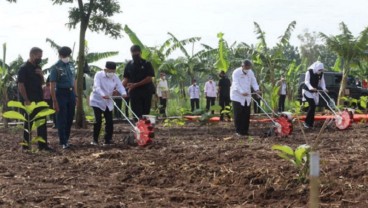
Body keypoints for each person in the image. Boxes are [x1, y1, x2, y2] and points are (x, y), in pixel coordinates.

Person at [17, 47, 52, 151]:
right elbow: (20, 85)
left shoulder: (38, 67)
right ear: (32, 55)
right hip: (29, 100)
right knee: (28, 122)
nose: (40, 58)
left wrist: (41, 75)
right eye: (39, 56)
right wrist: (26, 99)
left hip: (39, 99)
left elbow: (42, 84)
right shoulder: (23, 68)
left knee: (42, 122)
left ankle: (43, 146)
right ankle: (26, 146)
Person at [90, 62, 127, 145]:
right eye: (110, 71)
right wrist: (103, 95)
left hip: (108, 101)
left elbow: (120, 86)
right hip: (97, 101)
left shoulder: (115, 76)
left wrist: (124, 93)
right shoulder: (98, 75)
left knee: (109, 121)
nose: (112, 73)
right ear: (105, 69)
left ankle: (108, 140)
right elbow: (97, 86)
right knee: (98, 120)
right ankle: (95, 140)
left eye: (113, 71)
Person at [49, 46, 77, 149]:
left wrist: (76, 95)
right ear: (60, 55)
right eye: (64, 55)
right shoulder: (55, 67)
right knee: (62, 118)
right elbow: (52, 84)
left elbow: (74, 81)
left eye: (68, 55)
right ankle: (63, 141)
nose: (66, 57)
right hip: (61, 93)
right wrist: (54, 100)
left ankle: (67, 140)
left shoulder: (71, 65)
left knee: (70, 117)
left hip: (71, 94)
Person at [122, 45, 155, 120]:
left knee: (145, 112)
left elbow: (149, 78)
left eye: (137, 53)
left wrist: (136, 84)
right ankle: (139, 128)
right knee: (136, 113)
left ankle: (145, 129)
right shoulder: (129, 65)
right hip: (134, 93)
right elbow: (126, 79)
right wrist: (118, 89)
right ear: (131, 53)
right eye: (133, 54)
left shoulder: (147, 64)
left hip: (146, 91)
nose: (135, 55)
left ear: (141, 53)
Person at [230, 60, 261, 137]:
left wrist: (257, 90)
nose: (247, 69)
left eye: (249, 67)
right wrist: (241, 92)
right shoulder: (236, 72)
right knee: (238, 114)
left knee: (246, 114)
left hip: (247, 95)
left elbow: (254, 81)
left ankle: (245, 131)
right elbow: (236, 84)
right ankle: (239, 131)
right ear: (242, 66)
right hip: (237, 96)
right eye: (246, 67)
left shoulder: (250, 72)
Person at [302, 61, 328, 129]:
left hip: (314, 92)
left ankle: (311, 124)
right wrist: (311, 88)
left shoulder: (321, 74)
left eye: (321, 70)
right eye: (320, 70)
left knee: (313, 107)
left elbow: (322, 82)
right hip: (307, 91)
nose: (320, 71)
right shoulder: (309, 72)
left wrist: (324, 88)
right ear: (316, 68)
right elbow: (306, 82)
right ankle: (306, 122)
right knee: (312, 105)